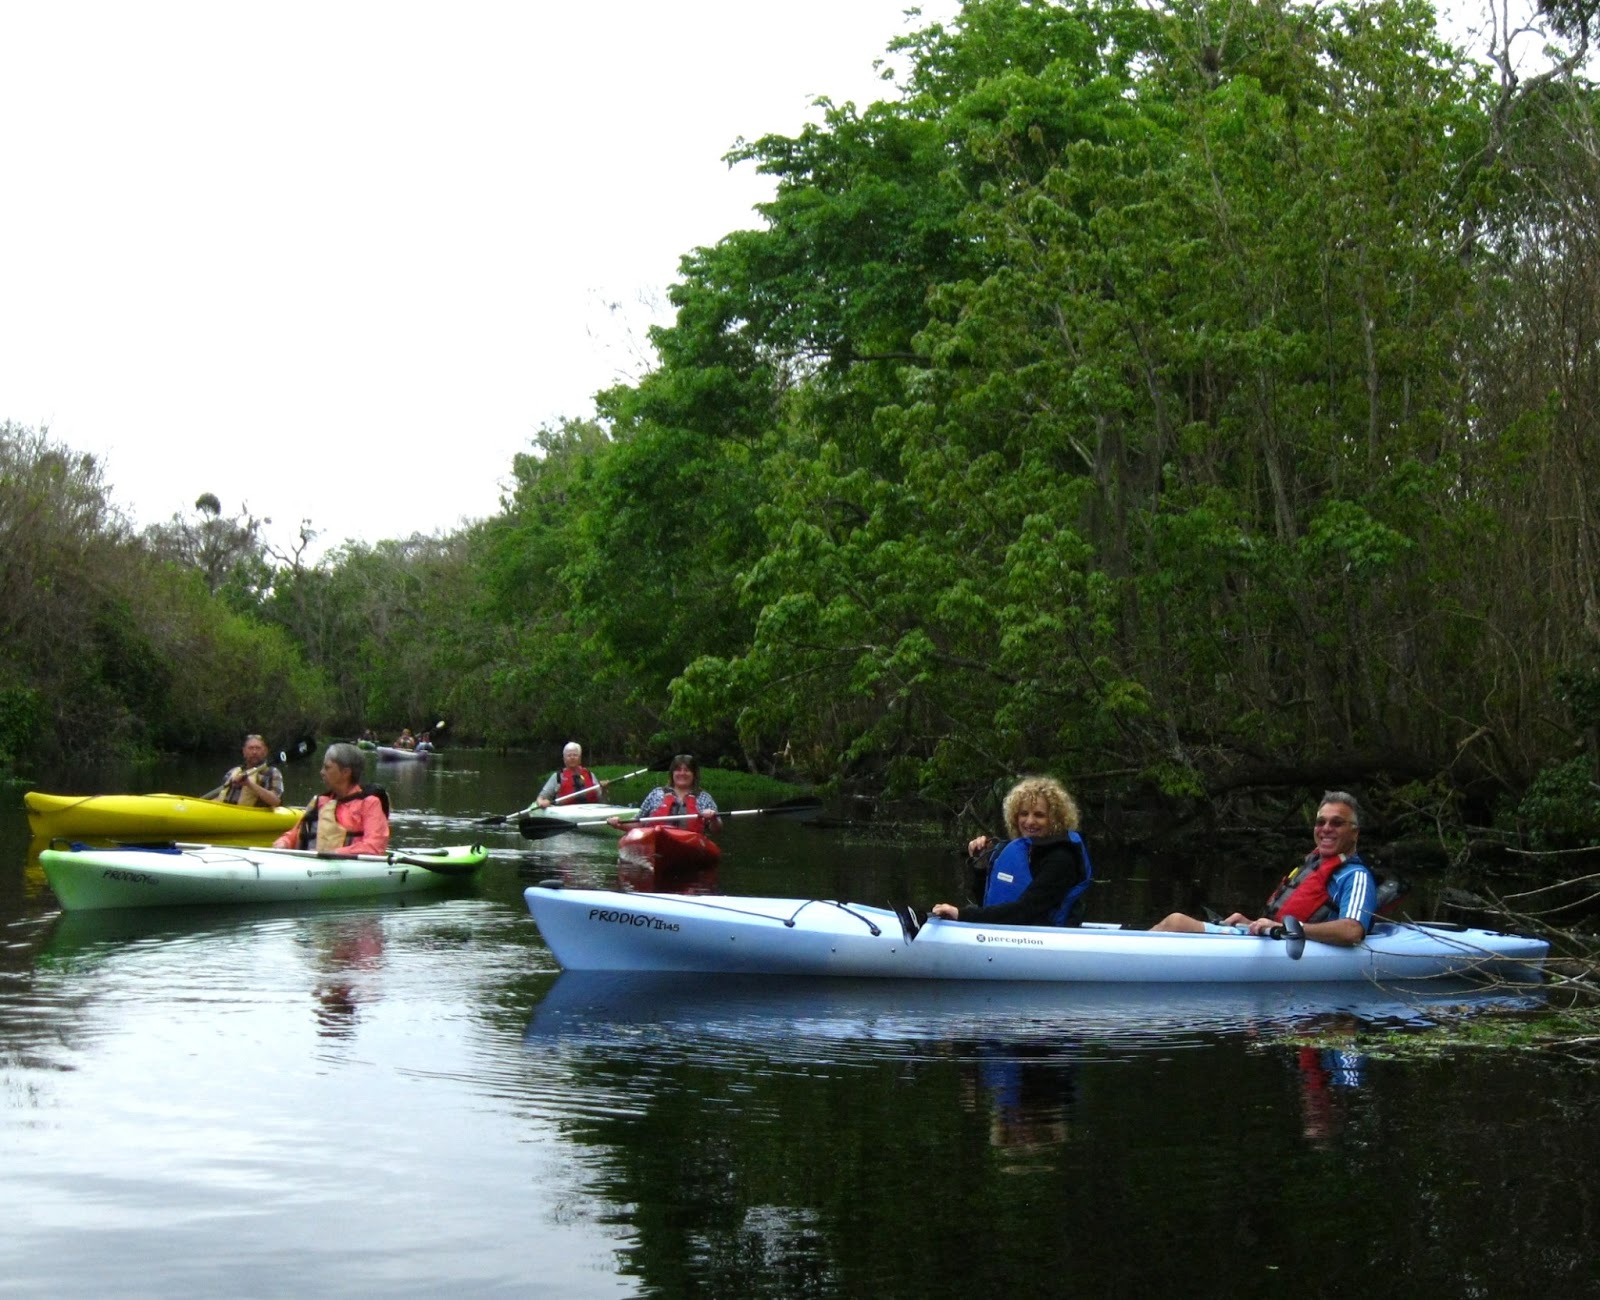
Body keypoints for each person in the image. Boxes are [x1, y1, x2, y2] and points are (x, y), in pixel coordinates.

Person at [1150, 791, 1375, 946]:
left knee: (1176, 922)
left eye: (1336, 823)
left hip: (1292, 943)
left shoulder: (1355, 876)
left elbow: (1351, 931)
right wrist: (1251, 923)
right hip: (1274, 937)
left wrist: (1290, 928)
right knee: (1175, 922)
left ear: (1355, 832)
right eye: (1320, 822)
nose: (1326, 829)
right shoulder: (1314, 864)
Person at [928, 776, 1092, 925]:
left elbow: (1025, 910)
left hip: (1045, 940)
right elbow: (990, 903)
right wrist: (981, 866)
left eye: (1039, 815)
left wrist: (961, 914)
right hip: (1014, 931)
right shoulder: (1023, 851)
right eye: (1024, 814)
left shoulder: (1061, 859)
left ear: (1054, 819)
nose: (1029, 821)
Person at [274, 742, 391, 855]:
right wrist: (283, 843)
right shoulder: (319, 802)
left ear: (345, 772)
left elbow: (374, 847)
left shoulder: (369, 804)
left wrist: (335, 853)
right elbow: (293, 835)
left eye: (327, 768)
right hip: (310, 864)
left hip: (346, 867)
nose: (322, 772)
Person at [608, 754, 720, 833]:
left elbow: (716, 828)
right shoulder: (656, 794)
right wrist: (619, 824)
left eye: (687, 770)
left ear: (694, 774)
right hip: (656, 838)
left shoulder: (704, 798)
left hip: (690, 842)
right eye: (678, 770)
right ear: (672, 773)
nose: (682, 773)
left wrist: (713, 818)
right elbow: (639, 822)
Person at [213, 733, 284, 808]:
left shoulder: (272, 772)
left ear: (265, 752)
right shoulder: (232, 772)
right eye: (251, 748)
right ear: (244, 752)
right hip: (226, 812)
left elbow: (276, 801)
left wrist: (249, 784)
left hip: (253, 815)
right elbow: (219, 796)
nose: (254, 752)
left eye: (258, 748)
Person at [534, 741, 610, 808]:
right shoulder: (557, 777)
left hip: (589, 810)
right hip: (565, 812)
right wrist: (542, 802)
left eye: (575, 755)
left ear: (580, 759)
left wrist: (604, 789)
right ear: (564, 759)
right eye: (569, 755)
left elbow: (603, 801)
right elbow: (541, 798)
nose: (572, 758)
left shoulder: (590, 775)